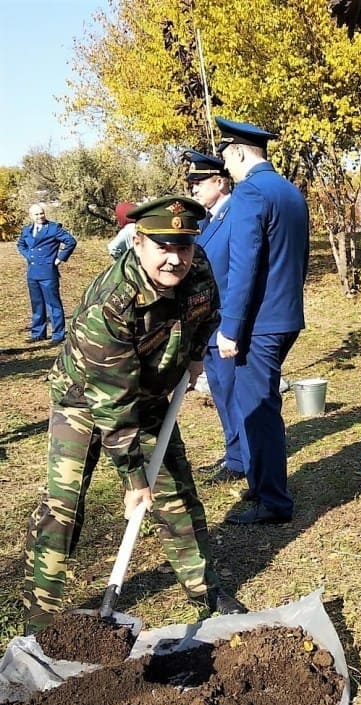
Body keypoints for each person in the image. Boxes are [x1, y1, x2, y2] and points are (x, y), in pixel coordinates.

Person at [23, 195, 247, 634]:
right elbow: (113, 405)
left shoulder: (196, 265)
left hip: (145, 395)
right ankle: (41, 616)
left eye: (182, 246)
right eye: (163, 247)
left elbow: (206, 312)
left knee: (176, 494)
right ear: (138, 243)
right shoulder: (111, 305)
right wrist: (133, 481)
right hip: (84, 400)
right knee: (63, 504)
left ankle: (205, 589)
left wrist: (197, 355)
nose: (175, 258)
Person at [212, 116, 310, 526]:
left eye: (227, 160)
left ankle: (272, 500)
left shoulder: (251, 192)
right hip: (285, 316)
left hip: (258, 323)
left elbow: (245, 264)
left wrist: (230, 327)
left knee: (258, 409)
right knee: (259, 402)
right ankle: (261, 482)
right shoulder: (289, 191)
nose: (226, 170)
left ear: (237, 152)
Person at [182, 149, 243, 482]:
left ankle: (241, 459)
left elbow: (238, 272)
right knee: (220, 391)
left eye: (199, 182)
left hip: (226, 321)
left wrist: (232, 324)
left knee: (234, 391)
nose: (193, 189)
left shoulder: (235, 214)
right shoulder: (206, 220)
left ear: (219, 181)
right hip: (208, 322)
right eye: (191, 183)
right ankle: (234, 453)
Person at [16, 204, 77, 345]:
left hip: (48, 272)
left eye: (41, 213)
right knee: (37, 304)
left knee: (53, 304)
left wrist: (59, 259)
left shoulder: (53, 228)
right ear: (31, 216)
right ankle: (38, 333)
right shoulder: (27, 230)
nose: (40, 216)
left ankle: (58, 334)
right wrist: (29, 256)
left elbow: (71, 241)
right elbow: (21, 245)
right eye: (36, 214)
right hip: (32, 272)